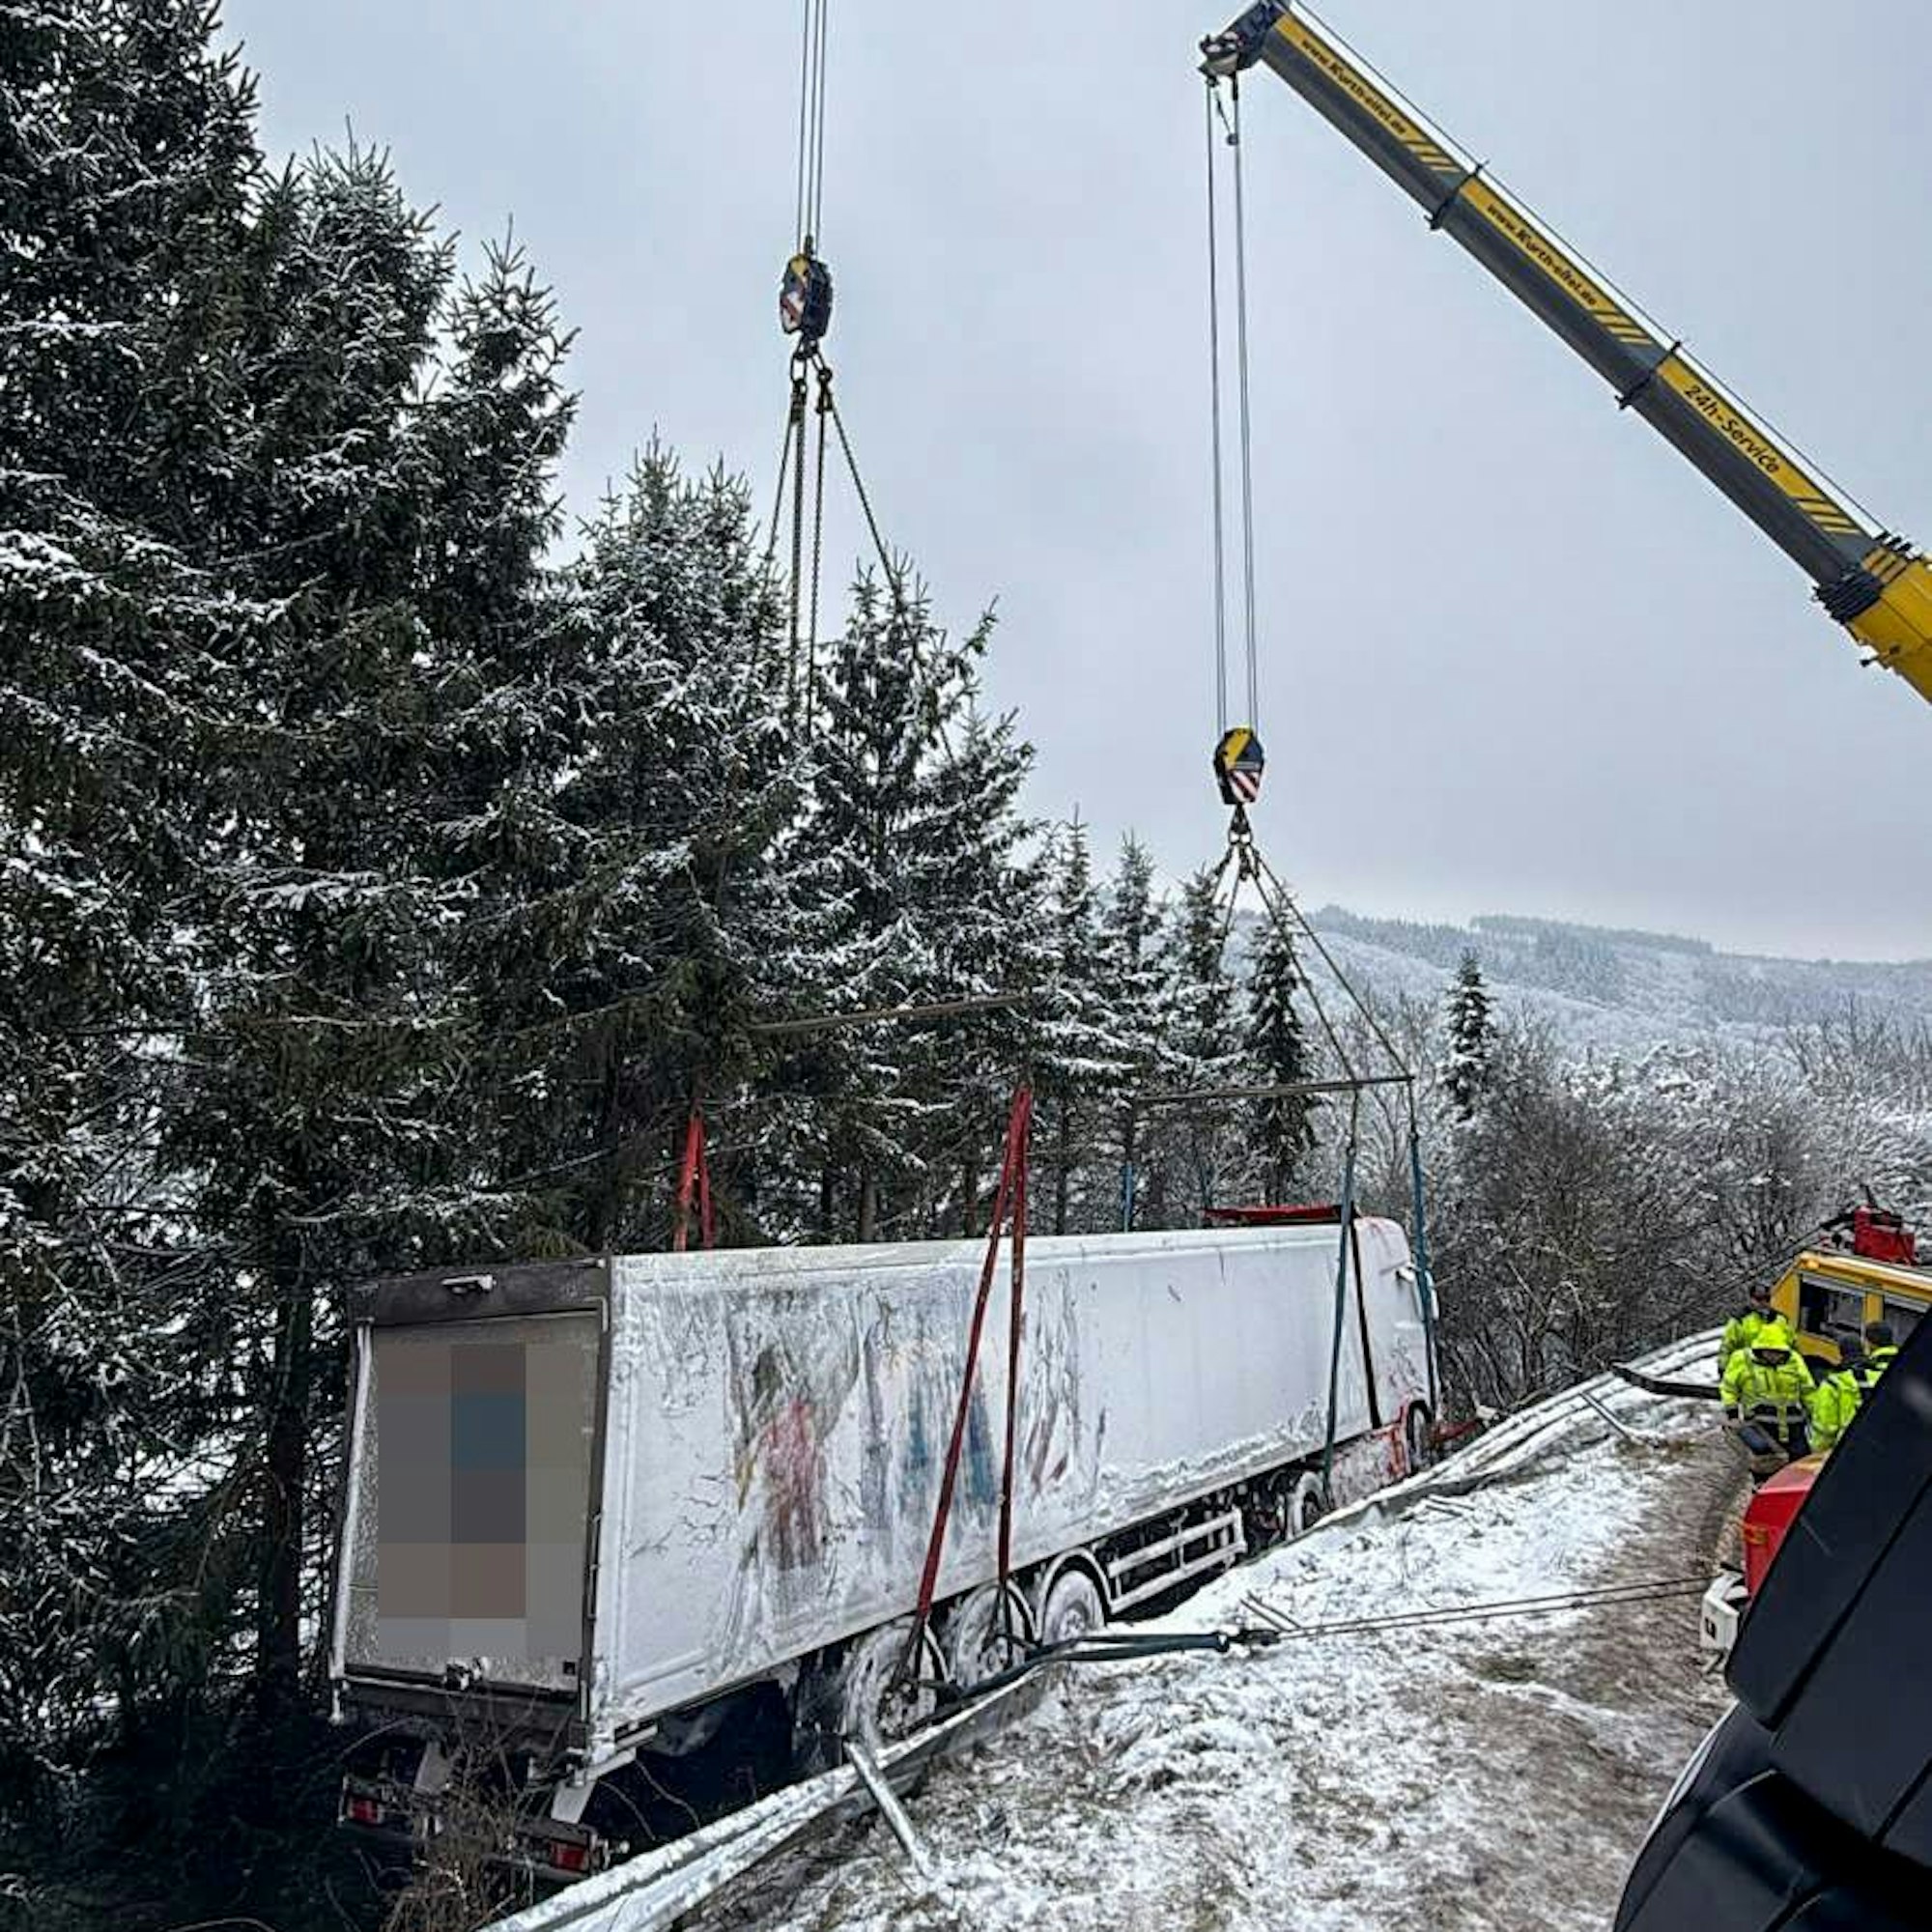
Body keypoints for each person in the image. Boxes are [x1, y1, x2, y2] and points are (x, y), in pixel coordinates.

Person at [1719, 1320, 1815, 1475]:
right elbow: (1729, 1388)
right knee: (1766, 1464)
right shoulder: (1742, 1360)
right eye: (1770, 1352)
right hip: (1760, 1423)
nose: (1774, 1356)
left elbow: (1808, 1390)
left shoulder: (1794, 1360)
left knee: (1800, 1464)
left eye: (1778, 1352)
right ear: (1760, 1349)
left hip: (1793, 1422)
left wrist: (1815, 1414)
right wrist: (1733, 1414)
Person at [1719, 1283, 1776, 1378]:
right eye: (1758, 1299)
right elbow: (1727, 1346)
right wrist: (1723, 1368)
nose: (1763, 1303)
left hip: (1772, 1374)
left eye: (1767, 1299)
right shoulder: (1739, 1320)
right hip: (1746, 1373)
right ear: (1751, 1299)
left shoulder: (1778, 1320)